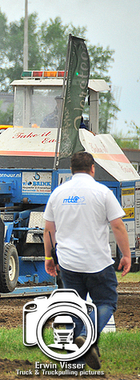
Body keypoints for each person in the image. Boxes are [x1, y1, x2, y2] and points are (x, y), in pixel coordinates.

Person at [43, 152, 131, 370]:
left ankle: (73, 353)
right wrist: (127, 255)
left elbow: (48, 229)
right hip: (97, 262)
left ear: (71, 169)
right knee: (106, 302)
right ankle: (86, 337)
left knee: (76, 306)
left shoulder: (58, 193)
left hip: (68, 263)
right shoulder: (102, 192)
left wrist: (48, 258)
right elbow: (118, 226)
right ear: (93, 168)